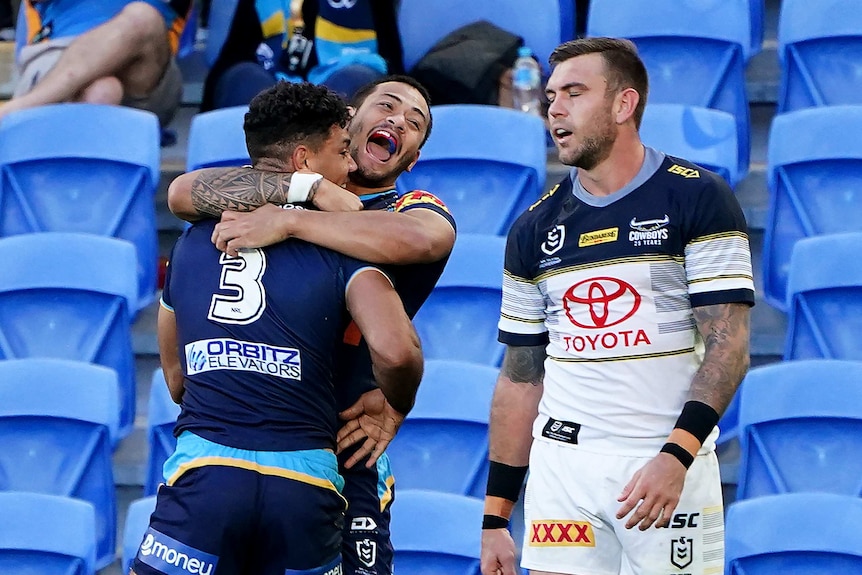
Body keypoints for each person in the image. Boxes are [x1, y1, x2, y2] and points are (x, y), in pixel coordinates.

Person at [480, 37, 753, 575]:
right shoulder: (533, 228)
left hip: (663, 464)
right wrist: (495, 517)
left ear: (624, 105)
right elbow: (520, 378)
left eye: (574, 93)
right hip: (565, 468)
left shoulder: (698, 196)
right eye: (552, 95)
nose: (554, 108)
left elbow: (730, 343)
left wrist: (676, 456)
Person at [167, 75, 456, 575]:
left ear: (410, 160)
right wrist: (307, 190)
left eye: (415, 123)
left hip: (349, 440)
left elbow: (424, 240)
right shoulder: (285, 188)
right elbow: (181, 192)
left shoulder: (410, 208)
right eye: (387, 105)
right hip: (262, 432)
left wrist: (293, 222)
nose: (398, 121)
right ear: (348, 122)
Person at [2, 0, 192, 127]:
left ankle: (15, 112)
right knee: (102, 92)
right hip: (59, 54)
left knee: (142, 17)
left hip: (146, 69)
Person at [201, 0, 403, 110]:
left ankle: (330, 184)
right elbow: (236, 53)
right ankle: (257, 183)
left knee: (352, 84)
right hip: (268, 72)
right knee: (246, 81)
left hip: (347, 69)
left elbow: (389, 53)